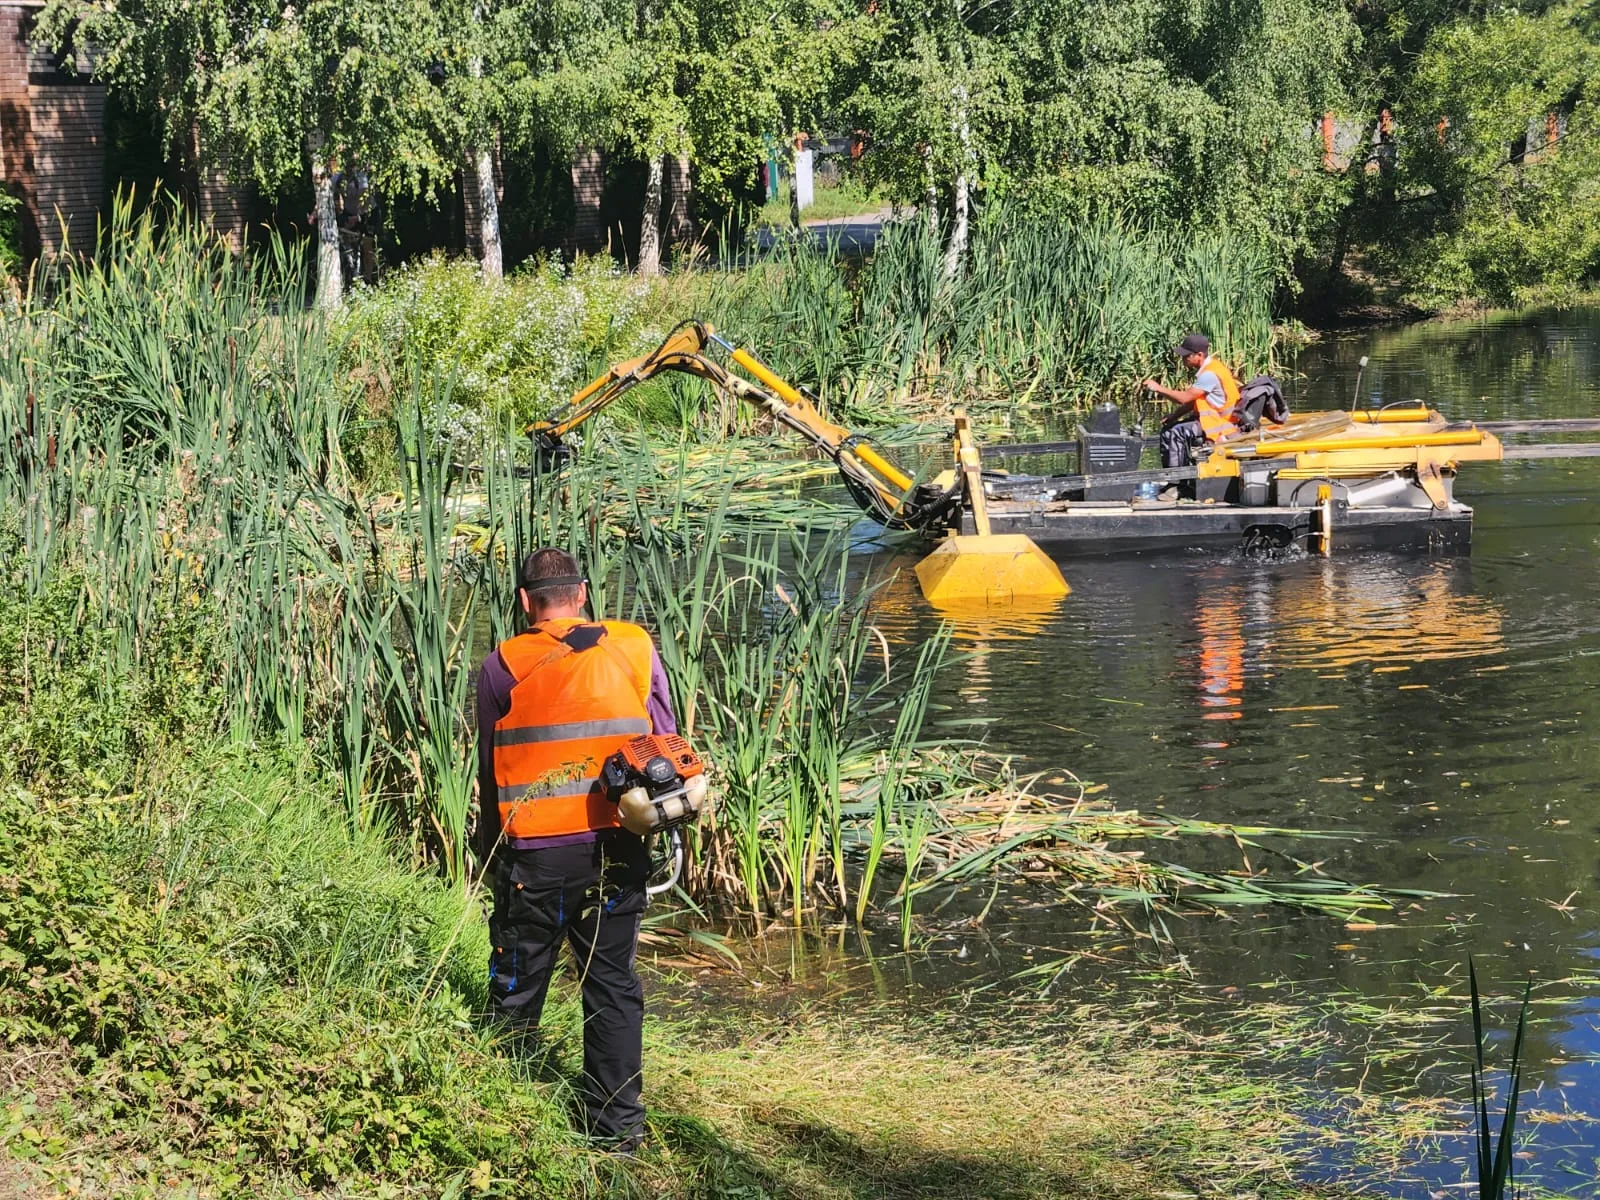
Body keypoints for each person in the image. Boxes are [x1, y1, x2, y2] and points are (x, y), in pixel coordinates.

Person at [474, 546, 679, 1152]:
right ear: (583, 593)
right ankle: (617, 1131)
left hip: (536, 853)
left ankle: (499, 1111)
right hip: (620, 842)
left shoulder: (502, 665)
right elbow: (666, 743)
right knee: (611, 981)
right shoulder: (634, 646)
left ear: (523, 602)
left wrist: (491, 849)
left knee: (519, 976)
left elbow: (491, 772)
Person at [1142, 332, 1243, 475]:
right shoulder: (1211, 368)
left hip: (1222, 425)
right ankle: (1176, 475)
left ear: (1199, 355)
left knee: (1176, 432)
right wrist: (1174, 416)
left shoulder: (1209, 374)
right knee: (1168, 429)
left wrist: (1158, 388)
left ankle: (1176, 483)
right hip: (1213, 420)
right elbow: (1193, 400)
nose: (1183, 359)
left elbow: (1183, 398)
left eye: (1187, 355)